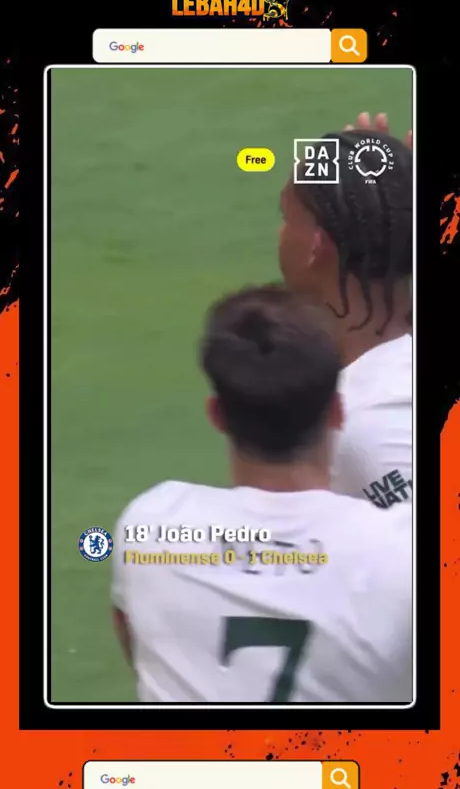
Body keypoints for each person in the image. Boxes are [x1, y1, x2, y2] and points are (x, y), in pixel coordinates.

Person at [112, 285, 412, 704]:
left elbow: (136, 640)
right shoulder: (403, 551)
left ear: (217, 415)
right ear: (338, 410)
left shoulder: (150, 526)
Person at [279, 113, 413, 507]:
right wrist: (393, 195)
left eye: (286, 219)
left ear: (316, 245)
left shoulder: (364, 426)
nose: (280, 234)